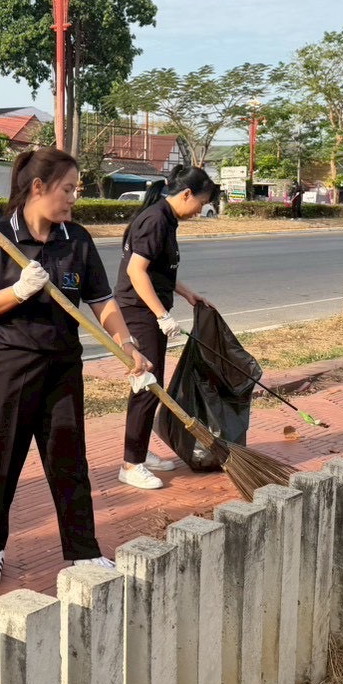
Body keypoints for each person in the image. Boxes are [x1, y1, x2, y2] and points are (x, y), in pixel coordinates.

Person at [0, 146, 151, 590]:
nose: (73, 199)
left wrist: (126, 342)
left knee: (68, 460)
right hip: (3, 366)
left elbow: (102, 302)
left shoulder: (76, 240)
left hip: (61, 367)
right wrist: (17, 292)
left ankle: (83, 551)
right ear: (39, 187)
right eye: (68, 189)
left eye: (76, 190)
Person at [113, 165, 219, 490]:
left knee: (150, 383)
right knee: (147, 383)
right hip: (139, 311)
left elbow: (159, 272)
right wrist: (161, 315)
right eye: (201, 202)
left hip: (148, 309)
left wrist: (187, 294)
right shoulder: (156, 220)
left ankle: (139, 454)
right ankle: (131, 465)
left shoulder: (165, 218)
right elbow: (136, 271)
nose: (201, 209)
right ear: (186, 194)